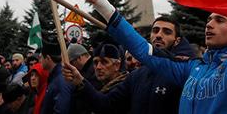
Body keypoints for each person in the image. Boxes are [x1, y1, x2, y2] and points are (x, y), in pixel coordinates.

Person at [72, 0, 227, 114]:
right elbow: (144, 51)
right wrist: (105, 8)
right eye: (209, 19)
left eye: (220, 20)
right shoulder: (193, 68)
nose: (209, 24)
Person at [64, 15, 196, 114]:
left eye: (167, 32)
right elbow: (106, 105)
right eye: (155, 30)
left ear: (177, 40)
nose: (159, 35)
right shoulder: (137, 76)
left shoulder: (185, 74)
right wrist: (80, 83)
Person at [39, 39, 74, 114]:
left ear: (48, 58)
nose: (40, 61)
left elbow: (61, 110)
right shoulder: (55, 77)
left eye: (41, 57)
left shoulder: (62, 79)